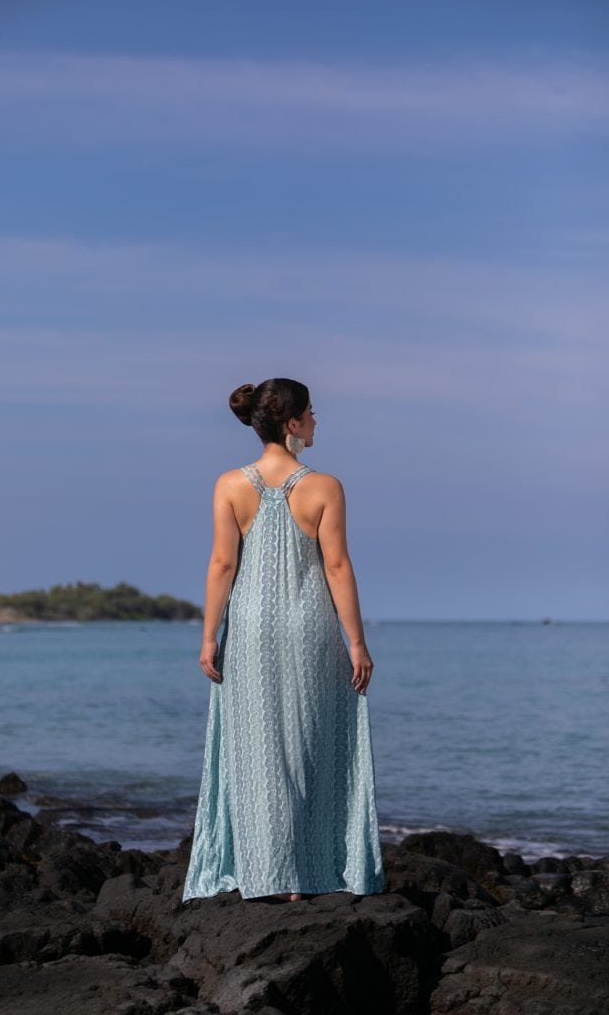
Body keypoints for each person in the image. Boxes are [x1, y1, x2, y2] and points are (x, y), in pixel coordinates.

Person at [182, 378, 383, 903]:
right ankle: (305, 872)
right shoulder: (325, 487)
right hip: (309, 626)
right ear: (292, 423)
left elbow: (223, 564)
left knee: (255, 749)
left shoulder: (229, 484)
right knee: (311, 746)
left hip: (247, 628)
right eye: (312, 413)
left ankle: (261, 872)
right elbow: (336, 566)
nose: (317, 421)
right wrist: (357, 643)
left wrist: (208, 637)